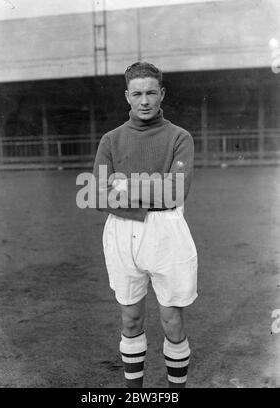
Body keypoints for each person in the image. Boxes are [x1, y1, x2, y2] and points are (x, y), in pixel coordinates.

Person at [92, 62, 198, 388]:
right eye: (137, 93)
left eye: (151, 92)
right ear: (127, 96)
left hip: (167, 233)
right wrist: (153, 189)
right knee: (131, 317)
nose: (145, 100)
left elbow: (176, 191)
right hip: (121, 235)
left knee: (172, 320)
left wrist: (122, 187)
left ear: (161, 93)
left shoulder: (179, 137)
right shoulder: (111, 140)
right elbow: (96, 194)